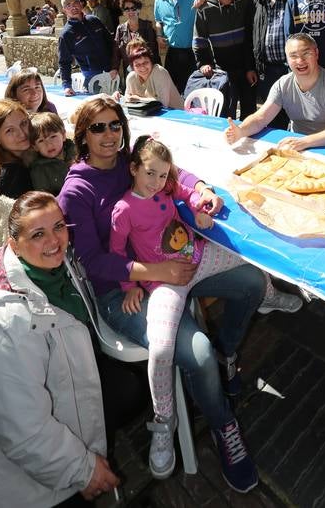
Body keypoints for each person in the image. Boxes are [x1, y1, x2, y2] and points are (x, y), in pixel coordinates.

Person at [58, 96, 292, 494]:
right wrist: (150, 272)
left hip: (174, 262)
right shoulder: (76, 191)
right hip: (123, 291)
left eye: (115, 124)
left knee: (252, 282)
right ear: (81, 134)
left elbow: (174, 175)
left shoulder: (131, 159)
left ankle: (228, 354)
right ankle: (221, 427)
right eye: (98, 127)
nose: (109, 134)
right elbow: (94, 261)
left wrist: (201, 191)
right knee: (195, 353)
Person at [0, 192, 126, 507]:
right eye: (38, 234)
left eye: (59, 226)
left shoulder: (57, 270)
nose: (54, 241)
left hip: (53, 432)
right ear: (13, 243)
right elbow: (24, 434)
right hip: (20, 486)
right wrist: (85, 472)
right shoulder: (5, 329)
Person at [111, 135, 254, 479]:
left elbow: (187, 191)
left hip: (198, 259)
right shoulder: (124, 209)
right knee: (161, 347)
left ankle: (227, 353)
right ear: (133, 169)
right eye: (150, 174)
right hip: (164, 283)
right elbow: (117, 254)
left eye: (162, 175)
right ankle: (164, 418)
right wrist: (129, 285)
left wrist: (202, 204)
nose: (157, 182)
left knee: (255, 279)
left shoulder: (165, 187)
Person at [225, 33, 325, 152]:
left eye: (306, 53)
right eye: (293, 56)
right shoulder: (283, 84)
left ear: (316, 53)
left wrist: (305, 141)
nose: (300, 60)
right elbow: (260, 118)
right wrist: (241, 131)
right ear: (287, 59)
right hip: (296, 147)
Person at [193, 0, 257, 119]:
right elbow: (199, 40)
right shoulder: (204, 9)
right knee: (227, 114)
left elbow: (250, 37)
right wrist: (203, 63)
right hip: (222, 72)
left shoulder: (245, 2)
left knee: (249, 113)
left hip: (245, 67)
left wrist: (250, 67)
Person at [153, 0, 210, 94]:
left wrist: (204, 0)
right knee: (174, 91)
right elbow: (158, 21)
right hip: (174, 53)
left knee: (197, 91)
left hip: (196, 52)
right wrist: (159, 36)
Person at [252, 0, 295, 129]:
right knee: (273, 117)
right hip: (266, 70)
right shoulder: (254, 1)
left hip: (289, 68)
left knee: (294, 112)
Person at [58, 0, 118, 96]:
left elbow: (111, 43)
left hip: (111, 73)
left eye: (75, 2)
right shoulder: (66, 34)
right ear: (64, 10)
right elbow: (64, 62)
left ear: (81, 4)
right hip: (92, 77)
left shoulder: (94, 20)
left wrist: (115, 66)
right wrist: (67, 86)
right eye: (68, 5)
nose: (73, 6)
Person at [30, 112, 77, 194]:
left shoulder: (76, 150)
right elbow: (45, 197)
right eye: (41, 141)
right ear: (35, 147)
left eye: (53, 137)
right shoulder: (39, 169)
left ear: (63, 135)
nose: (48, 144)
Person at [125, 44, 184, 108]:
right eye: (137, 65)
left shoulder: (159, 72)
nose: (142, 67)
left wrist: (139, 99)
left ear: (151, 62)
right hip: (147, 115)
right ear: (132, 67)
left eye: (145, 63)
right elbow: (128, 99)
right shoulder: (131, 78)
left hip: (175, 114)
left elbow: (163, 104)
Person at [113, 0, 160, 73]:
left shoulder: (147, 26)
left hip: (147, 70)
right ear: (123, 12)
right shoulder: (120, 29)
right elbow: (116, 52)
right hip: (130, 71)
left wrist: (156, 70)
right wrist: (114, 68)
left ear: (138, 10)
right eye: (126, 9)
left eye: (133, 8)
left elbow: (154, 51)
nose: (130, 11)